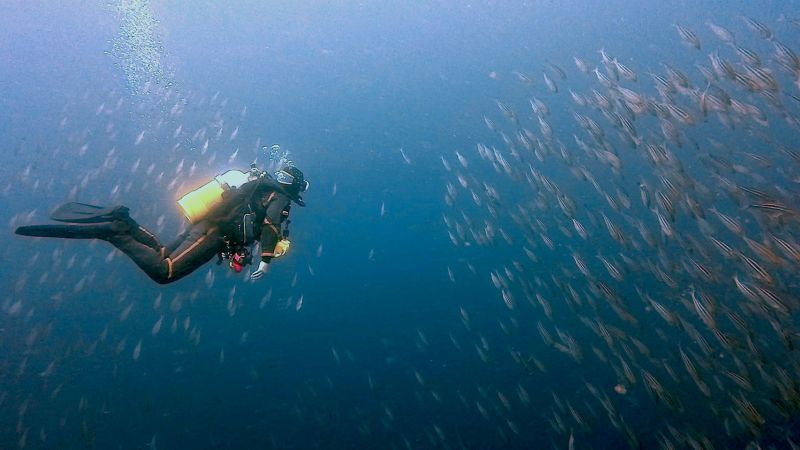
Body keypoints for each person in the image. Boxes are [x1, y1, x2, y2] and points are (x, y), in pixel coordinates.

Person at [15, 154, 309, 284]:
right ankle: (113, 232)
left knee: (161, 254)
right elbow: (270, 224)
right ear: (296, 187)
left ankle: (124, 224)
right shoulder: (279, 197)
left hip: (207, 226)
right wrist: (265, 261)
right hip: (216, 234)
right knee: (164, 272)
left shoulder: (260, 188)